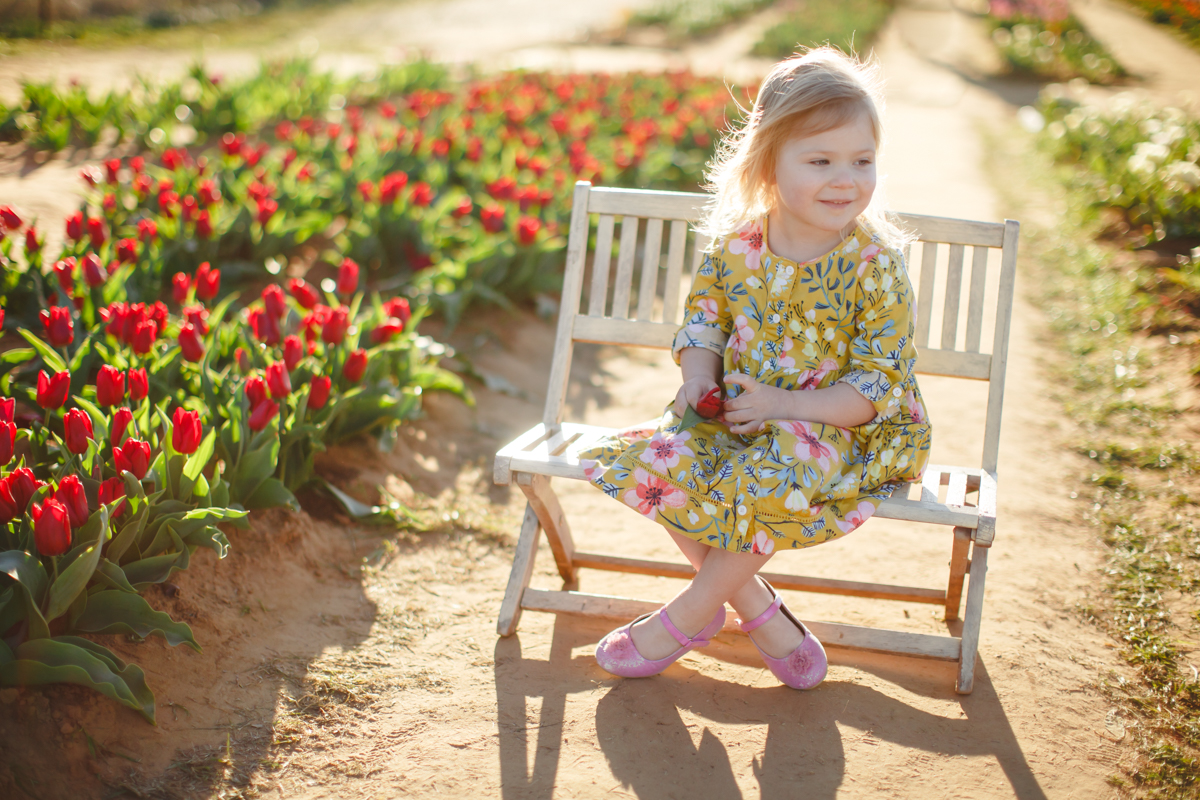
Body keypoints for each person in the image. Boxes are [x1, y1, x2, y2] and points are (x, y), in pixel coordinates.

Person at [577, 47, 932, 690]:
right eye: (820, 161)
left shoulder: (873, 267)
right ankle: (760, 613)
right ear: (768, 164)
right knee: (657, 460)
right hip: (744, 417)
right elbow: (703, 322)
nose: (845, 179)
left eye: (862, 160)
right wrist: (697, 376)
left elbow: (871, 390)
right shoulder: (736, 248)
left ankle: (684, 617)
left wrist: (781, 405)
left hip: (840, 430)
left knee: (770, 476)